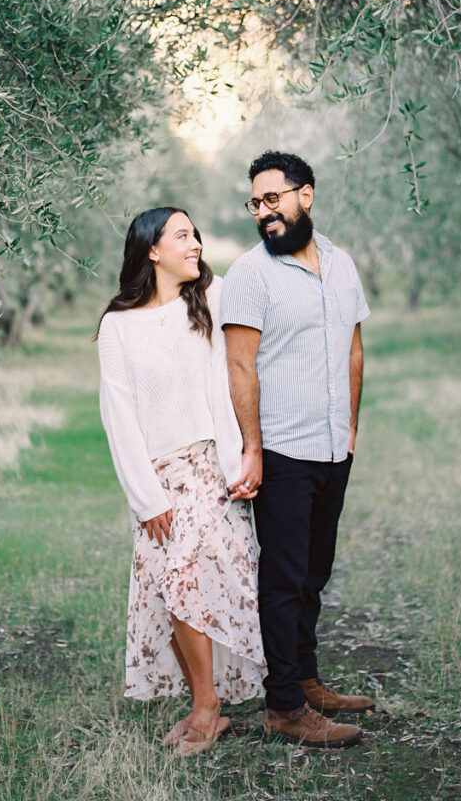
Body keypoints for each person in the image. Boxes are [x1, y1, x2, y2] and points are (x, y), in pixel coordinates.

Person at [97, 206, 265, 757]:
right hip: (158, 480)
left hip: (211, 470)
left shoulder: (211, 303)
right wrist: (146, 499)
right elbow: (118, 418)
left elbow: (235, 376)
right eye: (182, 235)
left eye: (196, 235)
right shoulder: (117, 326)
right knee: (170, 588)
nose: (195, 244)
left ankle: (207, 709)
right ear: (151, 250)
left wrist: (244, 456)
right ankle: (205, 706)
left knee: (190, 580)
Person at [220, 151, 375, 748]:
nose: (264, 212)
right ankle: (282, 707)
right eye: (255, 203)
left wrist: (353, 430)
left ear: (304, 196)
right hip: (283, 450)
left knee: (314, 573)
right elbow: (240, 366)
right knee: (283, 580)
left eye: (272, 199)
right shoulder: (251, 276)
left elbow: (354, 350)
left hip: (335, 449)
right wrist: (253, 450)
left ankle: (306, 683)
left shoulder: (341, 264)